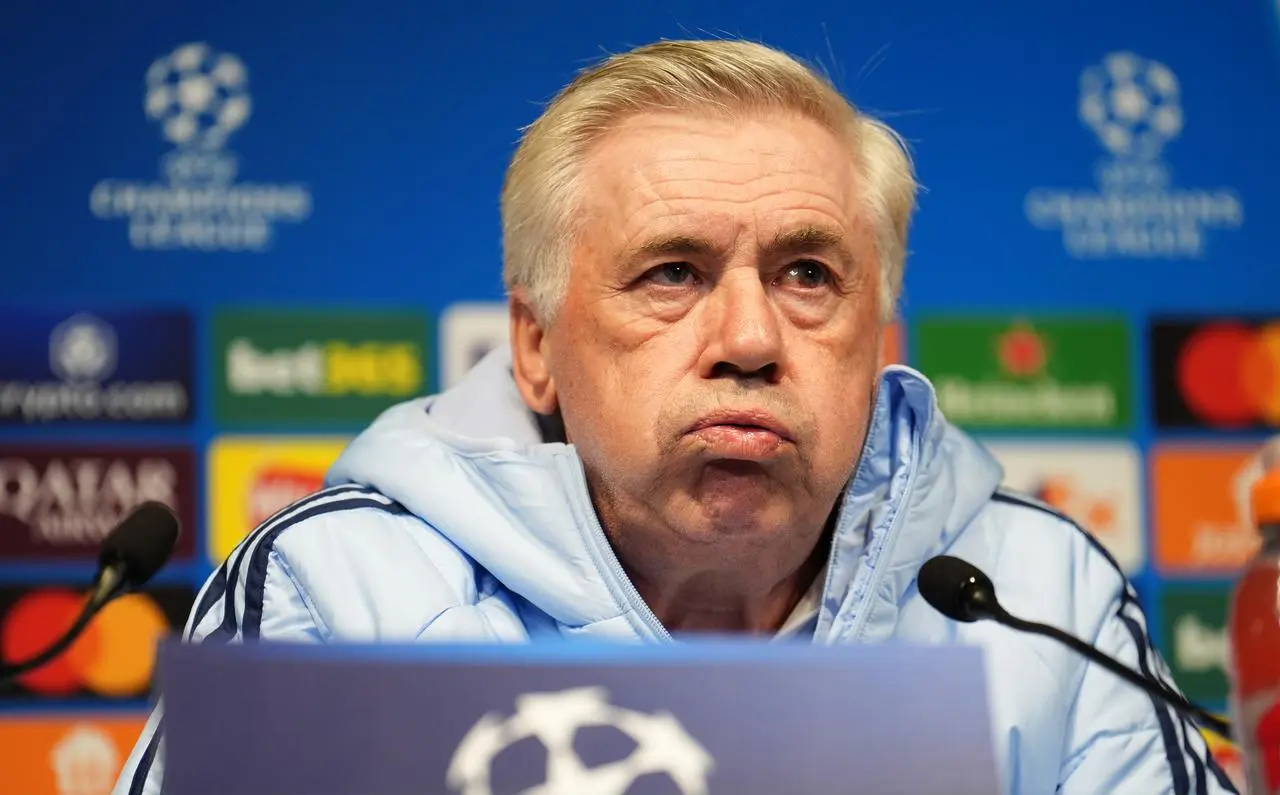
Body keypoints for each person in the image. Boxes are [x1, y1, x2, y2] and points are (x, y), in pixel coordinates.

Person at [113, 38, 1236, 795]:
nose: (748, 339)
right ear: (535, 345)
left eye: (807, 274)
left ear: (878, 332)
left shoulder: (1040, 597)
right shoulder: (335, 594)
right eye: (671, 272)